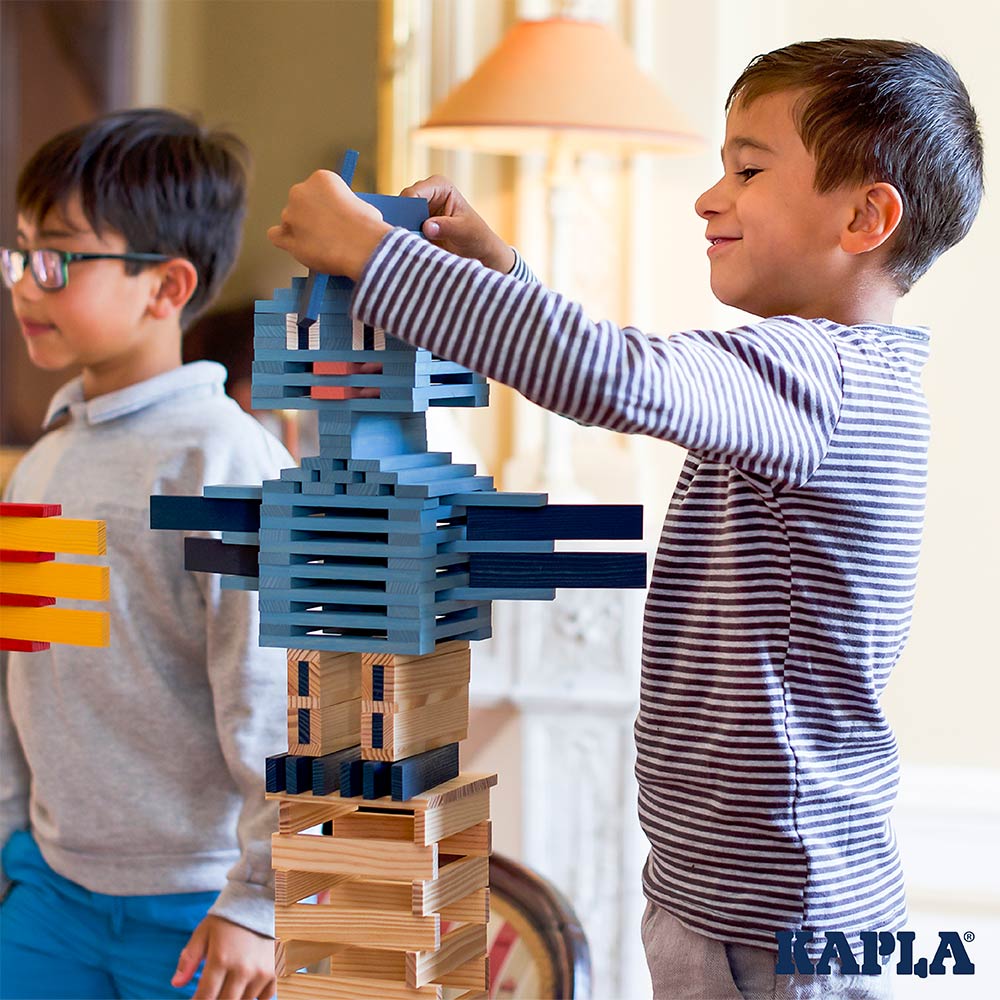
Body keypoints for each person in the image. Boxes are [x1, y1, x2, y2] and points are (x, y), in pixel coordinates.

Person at [267, 38, 983, 1000]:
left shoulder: (825, 379)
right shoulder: (820, 379)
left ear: (865, 215)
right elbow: (619, 368)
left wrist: (374, 255)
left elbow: (613, 373)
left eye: (748, 169)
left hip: (778, 923)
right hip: (740, 898)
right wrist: (502, 274)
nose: (709, 196)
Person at [0, 109, 291, 1000]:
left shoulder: (228, 464)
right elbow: (22, 669)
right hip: (47, 891)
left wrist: (260, 902)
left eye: (56, 259)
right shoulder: (43, 460)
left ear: (166, 287)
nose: (24, 286)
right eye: (16, 255)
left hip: (202, 910)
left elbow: (278, 697)